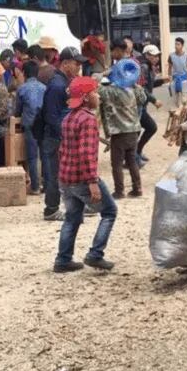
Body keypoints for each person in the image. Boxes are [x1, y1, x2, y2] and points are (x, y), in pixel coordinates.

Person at [53, 76, 117, 274]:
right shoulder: (88, 120)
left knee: (72, 217)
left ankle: (63, 259)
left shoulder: (68, 118)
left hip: (66, 177)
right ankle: (95, 254)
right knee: (109, 212)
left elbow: (63, 150)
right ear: (87, 97)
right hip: (82, 178)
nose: (98, 95)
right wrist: (92, 182)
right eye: (95, 92)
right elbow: (87, 154)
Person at [41, 46, 87, 221]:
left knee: (67, 173)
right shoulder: (57, 85)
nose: (79, 68)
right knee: (55, 175)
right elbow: (51, 116)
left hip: (62, 136)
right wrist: (65, 136)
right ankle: (51, 209)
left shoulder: (65, 82)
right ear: (66, 64)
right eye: (77, 64)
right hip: (55, 138)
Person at [100, 59, 147, 199]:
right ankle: (137, 188)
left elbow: (99, 89)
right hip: (134, 130)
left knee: (117, 164)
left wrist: (106, 74)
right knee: (132, 160)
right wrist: (135, 83)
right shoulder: (133, 89)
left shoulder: (112, 91)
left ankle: (119, 191)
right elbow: (143, 98)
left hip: (119, 132)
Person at [15, 61, 47, 195]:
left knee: (32, 157)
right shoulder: (44, 87)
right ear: (37, 73)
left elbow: (18, 110)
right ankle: (46, 185)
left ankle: (34, 187)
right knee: (45, 155)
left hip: (29, 124)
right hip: (44, 123)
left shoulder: (22, 89)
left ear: (24, 73)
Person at [138, 45, 168, 164]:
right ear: (146, 55)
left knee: (145, 129)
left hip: (142, 104)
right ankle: (134, 156)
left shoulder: (149, 67)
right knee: (150, 127)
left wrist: (161, 81)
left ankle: (137, 152)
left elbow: (149, 85)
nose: (156, 58)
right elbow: (142, 88)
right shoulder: (144, 67)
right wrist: (154, 100)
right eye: (153, 55)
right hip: (139, 104)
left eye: (157, 55)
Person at [168, 37, 187, 108]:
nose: (176, 46)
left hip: (184, 78)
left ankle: (184, 112)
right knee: (176, 98)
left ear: (182, 46)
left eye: (178, 44)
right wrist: (169, 76)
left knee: (184, 98)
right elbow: (170, 67)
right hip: (175, 78)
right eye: (175, 44)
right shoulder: (171, 56)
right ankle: (179, 112)